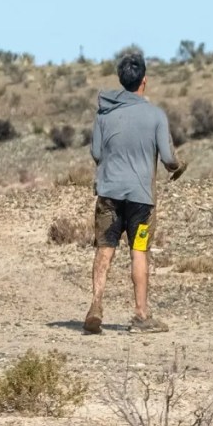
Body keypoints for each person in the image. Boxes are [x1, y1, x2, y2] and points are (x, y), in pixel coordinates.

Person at [84, 52, 187, 335]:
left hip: (108, 194)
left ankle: (95, 306)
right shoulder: (155, 115)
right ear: (145, 81)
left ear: (121, 80)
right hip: (141, 199)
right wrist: (178, 165)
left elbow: (95, 152)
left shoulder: (104, 113)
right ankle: (141, 316)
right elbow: (168, 158)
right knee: (139, 251)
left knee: (105, 249)